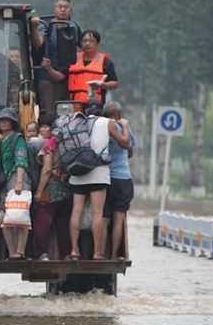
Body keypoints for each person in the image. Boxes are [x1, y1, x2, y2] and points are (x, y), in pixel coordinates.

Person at [67, 113, 131, 260]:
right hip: (98, 173)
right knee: (97, 213)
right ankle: (98, 253)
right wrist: (125, 126)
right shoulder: (107, 122)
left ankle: (75, 251)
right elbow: (125, 143)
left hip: (77, 173)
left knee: (76, 212)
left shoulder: (75, 121)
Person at [31, 0, 83, 113]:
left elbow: (83, 46)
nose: (63, 10)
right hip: (47, 77)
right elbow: (37, 43)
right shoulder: (46, 25)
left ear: (70, 10)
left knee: (68, 112)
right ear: (55, 9)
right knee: (49, 111)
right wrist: (34, 27)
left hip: (69, 78)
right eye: (60, 7)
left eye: (66, 7)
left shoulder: (74, 27)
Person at [0, 108, 31, 259]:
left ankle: (20, 252)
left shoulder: (17, 138)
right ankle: (13, 252)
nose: (3, 122)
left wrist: (20, 182)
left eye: (6, 120)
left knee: (20, 216)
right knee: (4, 219)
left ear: (13, 123)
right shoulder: (1, 143)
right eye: (1, 120)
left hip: (16, 178)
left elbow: (21, 160)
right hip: (5, 181)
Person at [31, 113, 72, 260]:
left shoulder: (50, 144)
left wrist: (39, 191)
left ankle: (42, 253)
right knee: (63, 224)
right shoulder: (67, 142)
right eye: (40, 127)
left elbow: (47, 169)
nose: (43, 130)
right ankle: (66, 254)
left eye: (46, 127)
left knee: (43, 221)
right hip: (67, 188)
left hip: (52, 189)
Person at [102, 101, 135, 260]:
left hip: (104, 179)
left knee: (104, 218)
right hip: (122, 178)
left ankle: (99, 254)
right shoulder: (121, 128)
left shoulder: (100, 128)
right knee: (118, 218)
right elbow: (128, 150)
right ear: (118, 115)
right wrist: (126, 126)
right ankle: (115, 254)